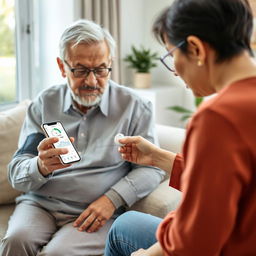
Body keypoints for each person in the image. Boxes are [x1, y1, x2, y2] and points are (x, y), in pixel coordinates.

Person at [0, 19, 165, 256]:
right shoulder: (44, 104)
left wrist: (112, 199)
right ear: (61, 66)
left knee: (57, 254)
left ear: (110, 64)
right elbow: (17, 173)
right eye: (80, 70)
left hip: (91, 211)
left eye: (100, 69)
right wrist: (40, 165)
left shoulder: (135, 107)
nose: (91, 81)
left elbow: (153, 168)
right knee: (15, 241)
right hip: (40, 204)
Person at [104, 0, 256, 255]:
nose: (174, 70)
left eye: (171, 54)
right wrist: (156, 157)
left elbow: (195, 243)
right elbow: (231, 181)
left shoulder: (218, 118)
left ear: (196, 49)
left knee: (123, 228)